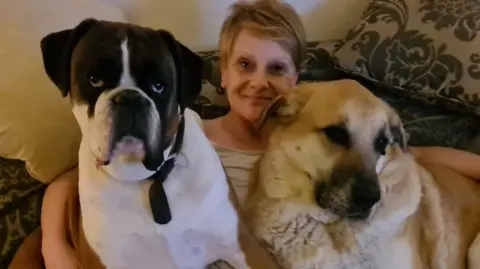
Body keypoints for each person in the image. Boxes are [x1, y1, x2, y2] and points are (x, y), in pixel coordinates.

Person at [37, 0, 480, 268]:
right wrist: (55, 245)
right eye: (245, 65)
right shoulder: (190, 141)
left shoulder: (311, 137)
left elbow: (414, 156)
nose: (259, 82)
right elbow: (72, 180)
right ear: (222, 74)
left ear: (296, 82)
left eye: (277, 68)